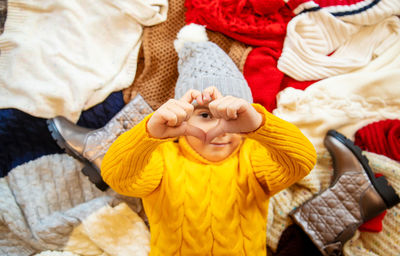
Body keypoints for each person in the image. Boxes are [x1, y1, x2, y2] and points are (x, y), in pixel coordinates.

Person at [101, 24, 317, 256]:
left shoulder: (253, 158)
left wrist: (259, 125)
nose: (220, 129)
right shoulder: (163, 159)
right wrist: (148, 134)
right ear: (182, 117)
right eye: (205, 115)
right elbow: (117, 176)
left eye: (233, 117)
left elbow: (302, 161)